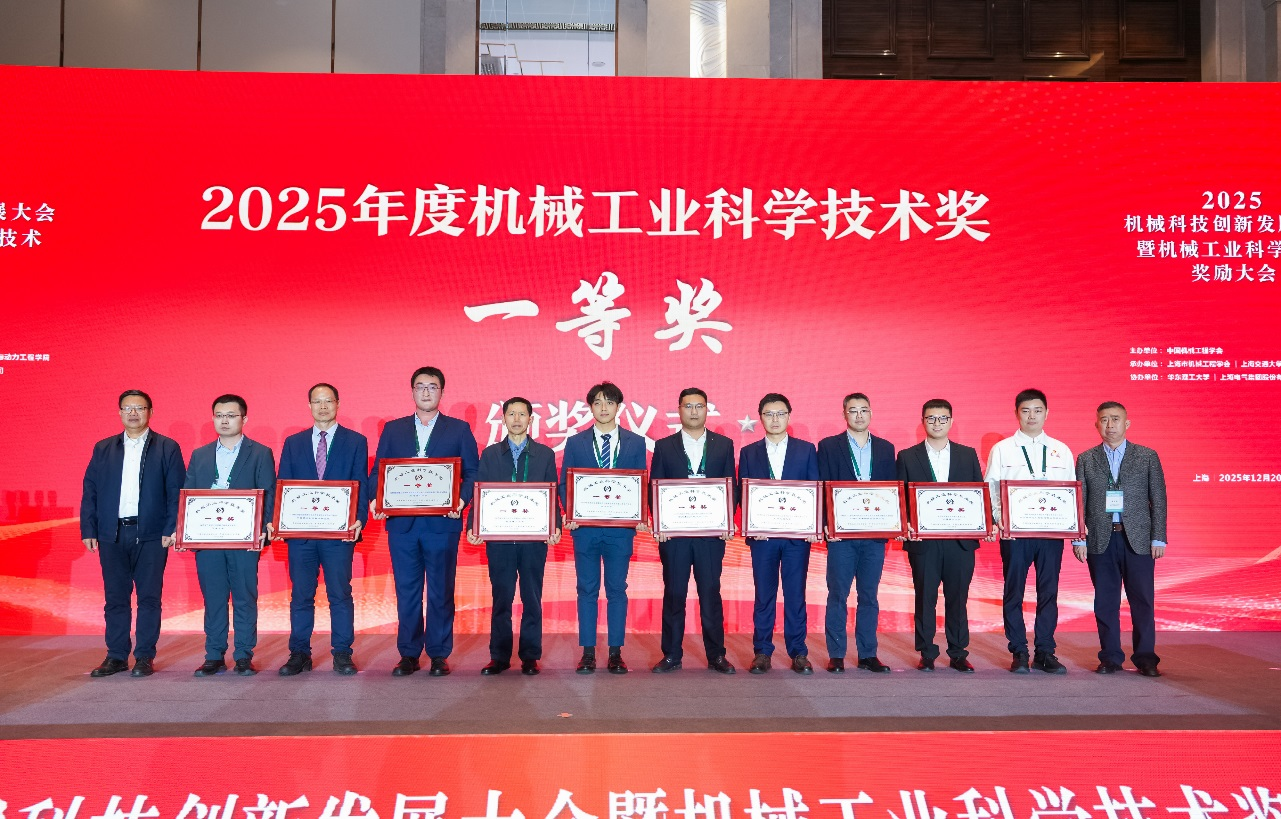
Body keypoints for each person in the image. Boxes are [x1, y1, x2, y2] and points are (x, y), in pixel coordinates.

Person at [369, 366, 479, 677]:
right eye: (420, 386)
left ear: (442, 392)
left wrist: (461, 500)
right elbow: (379, 471)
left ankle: (439, 654)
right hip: (402, 526)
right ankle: (408, 654)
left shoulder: (458, 430)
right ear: (412, 392)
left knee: (441, 591)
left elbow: (473, 472)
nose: (426, 391)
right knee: (407, 591)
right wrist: (376, 499)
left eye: (432, 386)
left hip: (442, 524)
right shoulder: (394, 429)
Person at [80, 389, 185, 678]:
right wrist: (89, 527)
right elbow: (90, 489)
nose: (133, 413)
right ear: (119, 413)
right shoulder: (103, 448)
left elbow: (176, 491)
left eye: (139, 408)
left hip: (151, 534)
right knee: (115, 598)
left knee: (149, 598)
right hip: (111, 533)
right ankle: (116, 656)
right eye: (128, 408)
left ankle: (144, 656)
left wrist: (172, 527)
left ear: (150, 412)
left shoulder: (167, 447)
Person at [275, 383, 369, 677]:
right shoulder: (294, 442)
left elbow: (361, 483)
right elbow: (284, 484)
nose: (323, 406)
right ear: (309, 406)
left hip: (338, 534)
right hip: (301, 535)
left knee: (340, 594)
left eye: (328, 400)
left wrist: (359, 519)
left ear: (338, 403)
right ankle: (299, 653)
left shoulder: (356, 441)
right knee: (301, 595)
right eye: (317, 401)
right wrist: (281, 520)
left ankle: (342, 653)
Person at [182, 394, 276, 677]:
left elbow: (268, 493)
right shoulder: (199, 455)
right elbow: (188, 496)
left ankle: (244, 655)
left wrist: (263, 529)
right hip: (208, 541)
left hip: (245, 540)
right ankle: (214, 655)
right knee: (214, 598)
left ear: (244, 419)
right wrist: (184, 530)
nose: (224, 420)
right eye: (219, 415)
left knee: (244, 598)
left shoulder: (260, 453)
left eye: (231, 415)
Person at [558, 381, 649, 674]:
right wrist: (570, 512)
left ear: (618, 406)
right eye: (597, 402)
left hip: (620, 532)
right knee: (586, 589)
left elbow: (641, 483)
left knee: (616, 589)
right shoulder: (576, 442)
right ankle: (587, 652)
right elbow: (565, 484)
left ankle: (615, 652)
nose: (604, 408)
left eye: (609, 402)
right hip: (585, 530)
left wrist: (639, 515)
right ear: (590, 407)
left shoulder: (636, 442)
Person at [466, 397, 561, 675]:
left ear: (531, 419)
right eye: (511, 414)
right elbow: (479, 491)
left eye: (522, 414)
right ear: (503, 418)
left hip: (534, 540)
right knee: (501, 598)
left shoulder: (545, 454)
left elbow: (552, 492)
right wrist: (473, 525)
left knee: (532, 598)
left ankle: (530, 656)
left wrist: (554, 526)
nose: (517, 419)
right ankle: (499, 656)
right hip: (500, 540)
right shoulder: (490, 454)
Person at [1073, 401, 1167, 677]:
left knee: (1142, 601)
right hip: (1100, 540)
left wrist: (1158, 537)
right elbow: (1079, 501)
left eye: (1115, 419)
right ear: (1096, 425)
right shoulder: (1086, 458)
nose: (1110, 425)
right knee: (1105, 602)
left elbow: (1158, 498)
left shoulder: (1147, 456)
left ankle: (1146, 658)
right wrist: (1079, 538)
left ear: (1127, 424)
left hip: (1138, 540)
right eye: (1104, 420)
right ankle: (1110, 657)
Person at [985, 388, 1076, 674]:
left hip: (1051, 534)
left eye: (1037, 410)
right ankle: (1019, 651)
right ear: (1017, 414)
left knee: (1049, 591)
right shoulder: (1002, 449)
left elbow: (1071, 492)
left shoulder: (1062, 450)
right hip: (1015, 534)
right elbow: (991, 488)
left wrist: (1072, 525)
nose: (1032, 416)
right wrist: (999, 519)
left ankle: (1045, 652)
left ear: (1047, 413)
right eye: (1025, 411)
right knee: (1014, 591)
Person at [649, 387, 738, 674]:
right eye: (688, 406)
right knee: (674, 593)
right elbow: (655, 486)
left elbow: (731, 486)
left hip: (711, 535)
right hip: (674, 535)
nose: (694, 411)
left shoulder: (723, 445)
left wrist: (727, 521)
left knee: (710, 593)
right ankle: (671, 655)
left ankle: (716, 655)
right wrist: (659, 523)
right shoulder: (664, 446)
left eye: (699, 406)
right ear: (679, 410)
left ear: (707, 410)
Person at [895, 399, 987, 673]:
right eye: (931, 418)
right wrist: (904, 524)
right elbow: (900, 496)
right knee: (925, 598)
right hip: (923, 542)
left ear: (951, 421)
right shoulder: (907, 456)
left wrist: (986, 523)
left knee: (958, 599)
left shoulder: (967, 454)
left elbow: (978, 493)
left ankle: (958, 653)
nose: (937, 423)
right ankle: (927, 653)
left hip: (960, 542)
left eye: (942, 418)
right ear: (923, 421)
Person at [737, 393, 819, 674]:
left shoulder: (806, 450)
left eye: (780, 413)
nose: (775, 419)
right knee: (764, 596)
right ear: (760, 418)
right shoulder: (749, 453)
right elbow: (744, 492)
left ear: (789, 416)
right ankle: (762, 652)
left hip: (797, 538)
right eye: (769, 414)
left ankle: (799, 652)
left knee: (795, 595)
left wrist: (813, 526)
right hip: (763, 539)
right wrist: (752, 525)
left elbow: (814, 489)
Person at [816, 392, 897, 673]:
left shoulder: (886, 448)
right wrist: (826, 523)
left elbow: (892, 491)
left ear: (871, 413)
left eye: (864, 410)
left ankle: (868, 654)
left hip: (874, 536)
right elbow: (822, 486)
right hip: (841, 536)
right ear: (844, 415)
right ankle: (837, 654)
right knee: (838, 594)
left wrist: (894, 524)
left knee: (869, 596)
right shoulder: (829, 446)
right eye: (853, 410)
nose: (859, 415)